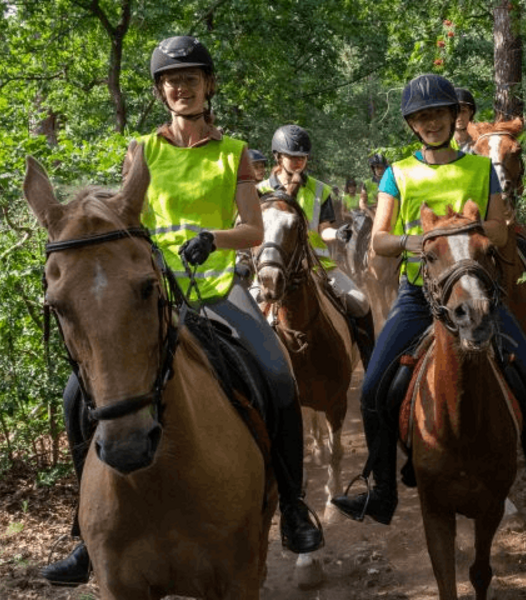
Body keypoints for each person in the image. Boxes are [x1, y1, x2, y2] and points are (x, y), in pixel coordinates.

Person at [40, 35, 323, 587]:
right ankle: (84, 534)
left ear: (207, 86)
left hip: (215, 290)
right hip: (151, 293)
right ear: (160, 91)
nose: (180, 86)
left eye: (190, 78)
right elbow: (127, 214)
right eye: (171, 80)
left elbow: (253, 228)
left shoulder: (232, 151)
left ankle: (292, 504)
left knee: (276, 376)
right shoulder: (141, 149)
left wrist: (212, 239)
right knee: (79, 393)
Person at [331, 73, 526, 525]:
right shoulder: (398, 173)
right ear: (412, 124)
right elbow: (379, 240)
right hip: (421, 295)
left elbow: (498, 227)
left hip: (477, 289)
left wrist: (460, 237)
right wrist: (420, 242)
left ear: (453, 116)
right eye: (421, 117)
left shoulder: (479, 169)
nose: (430, 122)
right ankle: (381, 489)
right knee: (374, 386)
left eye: (437, 113)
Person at [256, 124, 375, 369]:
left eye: (303, 156)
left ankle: (371, 368)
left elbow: (324, 230)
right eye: (292, 156)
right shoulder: (259, 192)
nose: (299, 161)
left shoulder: (320, 189)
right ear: (278, 156)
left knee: (361, 303)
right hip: (273, 269)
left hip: (318, 267)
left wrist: (338, 234)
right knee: (248, 318)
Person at [453, 87, 477, 154]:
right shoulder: (440, 144)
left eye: (463, 111)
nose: (459, 116)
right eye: (455, 112)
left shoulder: (481, 142)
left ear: (471, 112)